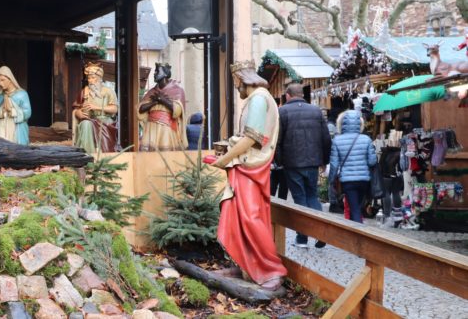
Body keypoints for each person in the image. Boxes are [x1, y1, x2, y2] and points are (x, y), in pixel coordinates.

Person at [205, 60, 287, 291]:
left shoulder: (259, 99)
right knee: (240, 216)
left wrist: (224, 159)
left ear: (242, 80)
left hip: (251, 168)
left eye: (236, 83)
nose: (236, 88)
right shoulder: (257, 98)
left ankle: (271, 270)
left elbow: (251, 138)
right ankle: (245, 265)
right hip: (244, 166)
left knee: (251, 218)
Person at [276, 84, 331, 248]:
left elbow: (277, 140)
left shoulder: (282, 112)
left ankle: (302, 238)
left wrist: (279, 162)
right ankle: (321, 232)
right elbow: (326, 139)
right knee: (312, 196)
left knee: (299, 197)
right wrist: (324, 160)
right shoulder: (315, 111)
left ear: (288, 96)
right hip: (313, 161)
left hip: (292, 162)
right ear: (302, 95)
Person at [329, 110, 377, 223]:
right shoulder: (366, 139)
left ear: (342, 124)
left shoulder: (337, 140)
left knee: (354, 209)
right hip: (364, 180)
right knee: (356, 208)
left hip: (348, 181)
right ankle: (352, 235)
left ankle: (359, 238)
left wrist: (331, 181)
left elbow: (334, 164)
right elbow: (372, 161)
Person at [138, 63, 187, 151]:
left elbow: (177, 110)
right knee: (148, 156)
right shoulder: (152, 92)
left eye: (157, 71)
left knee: (166, 155)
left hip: (167, 128)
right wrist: (155, 102)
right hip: (151, 129)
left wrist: (163, 100)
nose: (154, 73)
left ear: (165, 74)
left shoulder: (177, 90)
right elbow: (141, 109)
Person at [72, 62, 119, 154]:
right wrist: (78, 113)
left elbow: (114, 109)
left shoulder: (108, 91)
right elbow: (76, 108)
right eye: (89, 78)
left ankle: (100, 155)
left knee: (93, 126)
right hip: (89, 119)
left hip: (104, 121)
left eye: (93, 78)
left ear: (99, 79)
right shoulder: (84, 92)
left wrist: (96, 107)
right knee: (85, 124)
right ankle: (85, 154)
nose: (90, 80)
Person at [0, 66, 31, 145]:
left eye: (3, 80)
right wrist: (1, 110)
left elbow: (27, 113)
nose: (0, 83)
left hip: (16, 132)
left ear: (10, 79)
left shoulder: (22, 94)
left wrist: (12, 111)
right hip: (0, 130)